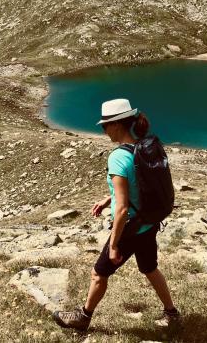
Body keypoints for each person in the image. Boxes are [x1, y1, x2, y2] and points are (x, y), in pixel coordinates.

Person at [52, 98, 180, 331]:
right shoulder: (142, 149)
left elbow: (121, 210)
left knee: (98, 273)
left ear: (117, 125)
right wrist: (108, 198)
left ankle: (83, 318)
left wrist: (113, 245)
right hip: (148, 223)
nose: (103, 130)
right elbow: (138, 184)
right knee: (150, 268)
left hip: (129, 229)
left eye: (105, 126)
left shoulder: (118, 157)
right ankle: (171, 313)